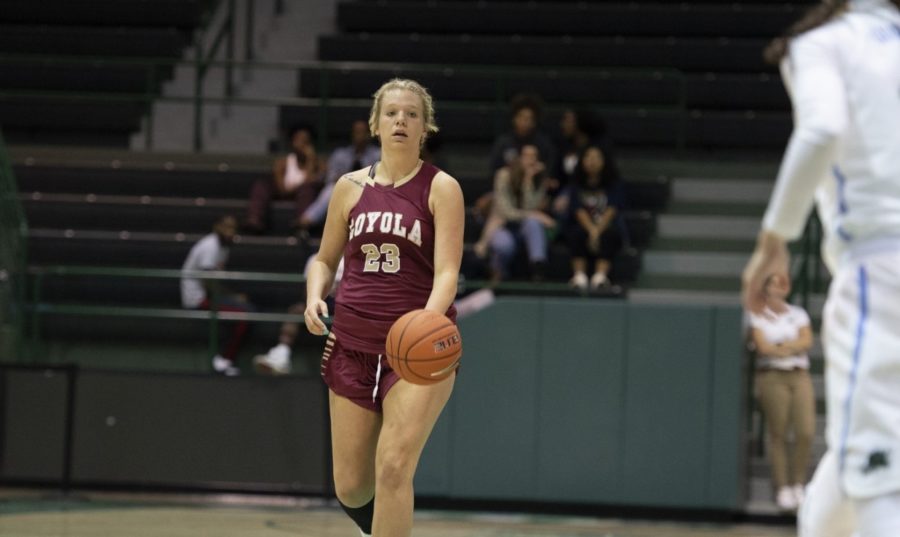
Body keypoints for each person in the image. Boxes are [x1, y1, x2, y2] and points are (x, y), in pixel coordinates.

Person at [741, 1, 900, 535]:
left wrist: (773, 240)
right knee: (855, 457)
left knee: (877, 470)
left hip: (882, 262)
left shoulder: (826, 42)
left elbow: (822, 129)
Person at [303, 78, 464, 537]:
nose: (401, 120)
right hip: (351, 342)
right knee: (352, 487)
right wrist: (315, 295)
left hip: (416, 350)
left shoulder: (442, 188)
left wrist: (426, 324)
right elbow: (324, 260)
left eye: (412, 114)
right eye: (391, 112)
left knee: (393, 466)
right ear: (375, 124)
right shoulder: (348, 188)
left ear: (425, 126)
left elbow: (448, 272)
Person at [748, 273, 816, 512]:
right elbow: (763, 347)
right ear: (765, 288)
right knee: (778, 432)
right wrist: (790, 346)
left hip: (799, 375)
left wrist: (781, 347)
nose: (780, 286)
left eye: (783, 282)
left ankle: (798, 482)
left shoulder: (798, 314)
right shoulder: (757, 315)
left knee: (806, 431)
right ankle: (782, 486)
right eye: (775, 282)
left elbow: (806, 341)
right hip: (772, 376)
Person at [180, 215, 254, 376]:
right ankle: (224, 360)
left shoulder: (224, 247)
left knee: (249, 309)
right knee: (243, 316)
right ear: (217, 227)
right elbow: (209, 282)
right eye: (226, 227)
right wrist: (234, 297)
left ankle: (225, 358)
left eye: (233, 228)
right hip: (197, 299)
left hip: (209, 296)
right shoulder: (210, 246)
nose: (230, 231)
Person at [473, 144, 557, 282]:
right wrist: (533, 214)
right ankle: (498, 274)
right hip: (502, 225)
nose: (530, 160)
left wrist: (528, 180)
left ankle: (538, 267)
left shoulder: (539, 179)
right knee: (504, 245)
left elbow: (532, 207)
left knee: (533, 223)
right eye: (526, 155)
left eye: (534, 156)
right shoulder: (503, 175)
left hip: (524, 228)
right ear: (519, 158)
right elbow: (506, 212)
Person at [253, 254, 344, 375]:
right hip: (320, 302)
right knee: (296, 310)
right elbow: (308, 289)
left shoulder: (352, 257)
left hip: (342, 305)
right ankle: (282, 353)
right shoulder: (314, 258)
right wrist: (315, 301)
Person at [296, 119, 381, 237]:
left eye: (363, 132)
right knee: (330, 190)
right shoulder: (340, 154)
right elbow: (331, 178)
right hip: (343, 187)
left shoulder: (377, 154)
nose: (360, 136)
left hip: (368, 188)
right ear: (352, 134)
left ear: (369, 134)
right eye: (357, 132)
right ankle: (306, 221)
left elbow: (381, 178)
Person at [562, 145, 626, 291]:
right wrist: (592, 230)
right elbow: (578, 210)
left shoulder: (614, 183)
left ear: (604, 161)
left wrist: (597, 231)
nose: (592, 161)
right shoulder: (576, 184)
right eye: (588, 157)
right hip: (584, 226)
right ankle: (579, 276)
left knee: (610, 235)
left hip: (605, 225)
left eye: (596, 157)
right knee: (576, 233)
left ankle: (600, 277)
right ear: (582, 161)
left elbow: (612, 210)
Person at [243, 124, 323, 234]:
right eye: (299, 140)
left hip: (304, 197)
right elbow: (283, 190)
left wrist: (310, 160)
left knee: (307, 189)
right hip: (283, 192)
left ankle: (302, 226)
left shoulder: (317, 164)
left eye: (306, 141)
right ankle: (254, 219)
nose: (302, 144)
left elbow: (311, 182)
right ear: (292, 142)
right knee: (261, 184)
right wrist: (300, 185)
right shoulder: (283, 162)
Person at [487, 93, 557, 176]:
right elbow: (494, 169)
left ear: (534, 122)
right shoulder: (504, 143)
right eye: (521, 117)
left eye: (528, 119)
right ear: (514, 119)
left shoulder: (543, 143)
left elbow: (550, 167)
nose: (525, 122)